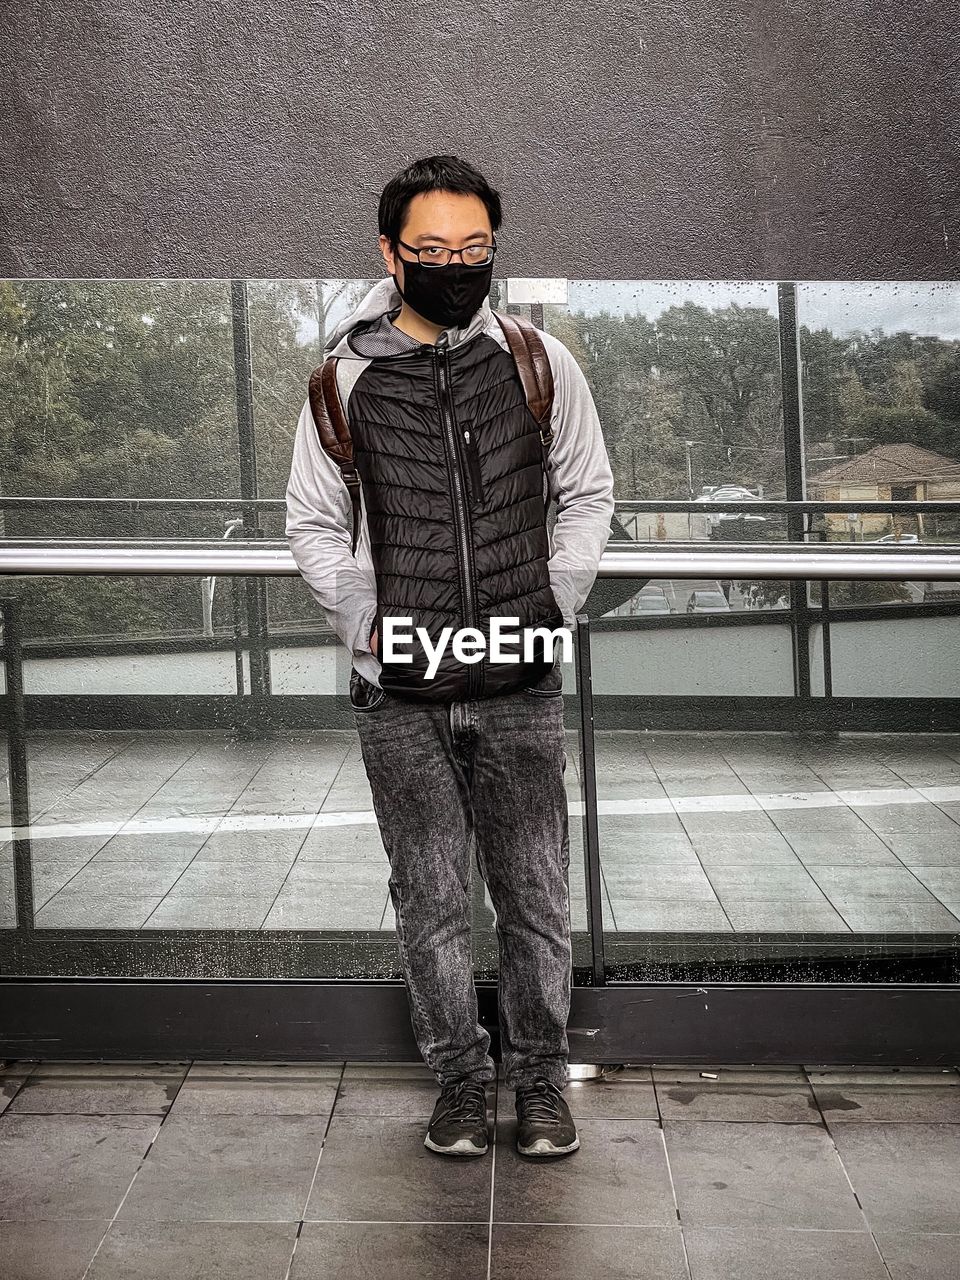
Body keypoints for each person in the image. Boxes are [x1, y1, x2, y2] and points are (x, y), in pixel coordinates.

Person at [285, 155, 615, 1159]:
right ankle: (461, 1081)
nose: (454, 267)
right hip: (402, 695)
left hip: (517, 678)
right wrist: (368, 629)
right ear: (390, 253)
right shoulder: (343, 379)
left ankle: (539, 1082)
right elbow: (312, 521)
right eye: (431, 251)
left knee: (535, 893)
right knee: (429, 898)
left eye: (473, 250)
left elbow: (589, 494)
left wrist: (546, 602)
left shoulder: (538, 361)